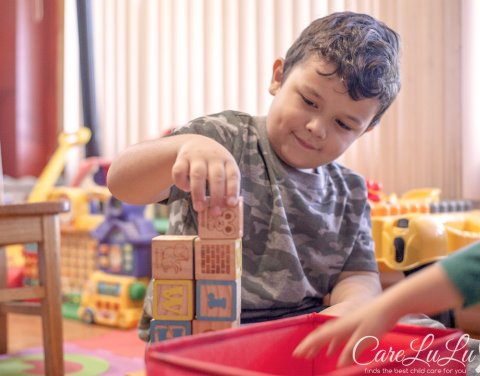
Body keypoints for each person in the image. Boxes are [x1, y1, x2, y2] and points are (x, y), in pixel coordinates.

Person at [107, 11, 402, 341]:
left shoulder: (350, 192)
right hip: (194, 333)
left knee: (419, 330)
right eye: (308, 101)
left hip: (298, 337)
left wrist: (351, 306)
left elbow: (359, 275)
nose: (316, 128)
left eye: (344, 125)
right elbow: (121, 182)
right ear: (279, 76)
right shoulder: (219, 139)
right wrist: (184, 147)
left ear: (367, 129)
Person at [293, 241, 480, 367]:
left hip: (332, 313)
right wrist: (387, 306)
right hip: (304, 322)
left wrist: (357, 304)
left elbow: (357, 275)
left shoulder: (350, 186)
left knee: (436, 337)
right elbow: (470, 267)